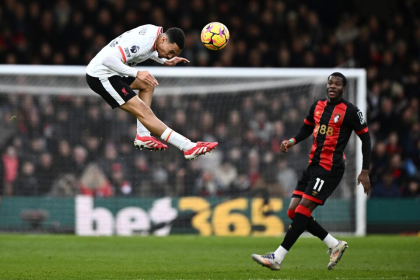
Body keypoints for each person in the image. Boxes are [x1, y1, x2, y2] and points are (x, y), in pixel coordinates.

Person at [252, 72, 371, 270]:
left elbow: (366, 138)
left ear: (344, 88)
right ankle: (334, 244)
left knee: (302, 210)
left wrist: (365, 170)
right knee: (293, 212)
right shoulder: (317, 105)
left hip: (330, 168)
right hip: (313, 165)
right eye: (330, 83)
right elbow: (307, 127)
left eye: (337, 84)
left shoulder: (350, 111)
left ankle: (277, 257)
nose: (332, 86)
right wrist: (292, 141)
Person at [86, 24, 217, 160]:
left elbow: (148, 50)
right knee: (145, 112)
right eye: (171, 51)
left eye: (173, 54)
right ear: (164, 40)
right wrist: (137, 73)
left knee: (147, 85)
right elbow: (107, 60)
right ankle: (187, 147)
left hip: (114, 71)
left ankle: (143, 135)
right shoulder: (144, 42)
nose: (169, 55)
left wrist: (164, 61)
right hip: (101, 75)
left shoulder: (154, 33)